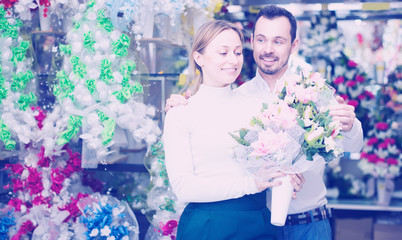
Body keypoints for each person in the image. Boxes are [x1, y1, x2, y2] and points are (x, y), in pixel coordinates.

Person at [165, 5, 364, 240]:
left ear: (294, 45)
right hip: (260, 224)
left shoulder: (313, 92)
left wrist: (350, 125)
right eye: (261, 39)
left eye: (278, 41)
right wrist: (182, 103)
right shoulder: (240, 97)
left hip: (309, 223)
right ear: (252, 41)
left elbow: (353, 146)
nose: (268, 49)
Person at [163, 20, 303, 240]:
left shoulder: (257, 106)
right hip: (208, 225)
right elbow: (183, 187)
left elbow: (274, 161)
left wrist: (286, 177)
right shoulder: (181, 113)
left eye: (238, 52)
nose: (233, 60)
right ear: (198, 57)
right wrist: (251, 184)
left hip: (260, 222)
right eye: (223, 52)